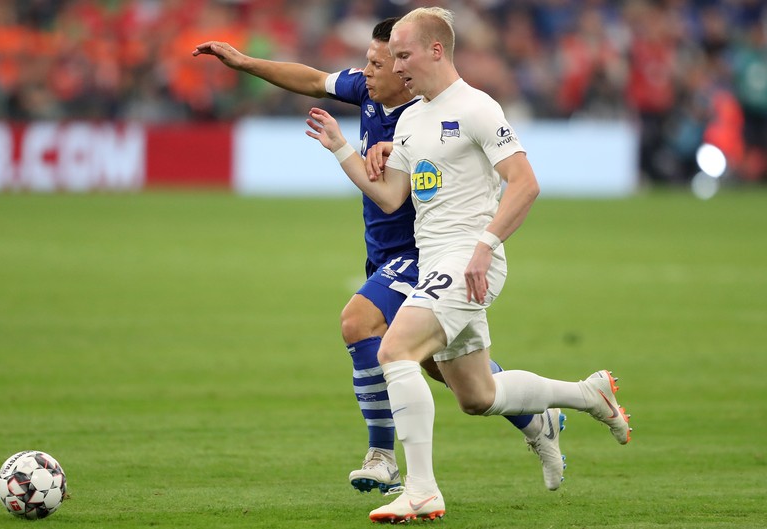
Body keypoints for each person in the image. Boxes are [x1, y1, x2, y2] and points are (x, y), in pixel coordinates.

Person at [193, 17, 567, 495]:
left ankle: (384, 456)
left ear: (405, 68)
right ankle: (538, 418)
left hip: (423, 252)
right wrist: (243, 62)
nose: (365, 72)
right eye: (368, 62)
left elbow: (428, 190)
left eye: (379, 63)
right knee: (448, 374)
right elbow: (311, 79)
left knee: (359, 322)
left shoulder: (430, 111)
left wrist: (482, 242)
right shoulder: (371, 92)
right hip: (384, 253)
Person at [305, 7, 631, 523]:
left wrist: (484, 245)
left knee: (395, 350)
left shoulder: (477, 108)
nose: (397, 65)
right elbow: (391, 197)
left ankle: (419, 488)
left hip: (468, 258)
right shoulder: (411, 118)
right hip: (438, 261)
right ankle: (588, 395)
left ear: (437, 50)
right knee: (478, 395)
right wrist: (343, 148)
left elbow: (525, 183)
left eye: (404, 55)